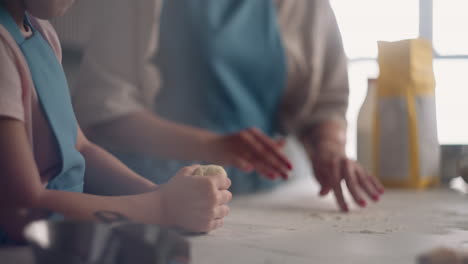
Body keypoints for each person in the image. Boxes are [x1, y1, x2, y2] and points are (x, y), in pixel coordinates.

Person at [73, 0, 384, 212]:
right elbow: (104, 108)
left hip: (266, 194)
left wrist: (329, 148)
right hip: (150, 192)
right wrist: (212, 145)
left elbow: (323, 103)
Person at [0, 0, 231, 245]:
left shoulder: (42, 32)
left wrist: (156, 192)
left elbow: (80, 148)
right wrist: (160, 208)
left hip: (66, 242)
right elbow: (23, 210)